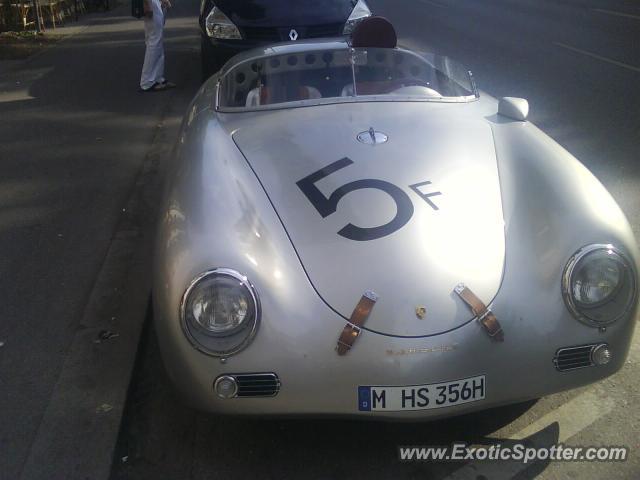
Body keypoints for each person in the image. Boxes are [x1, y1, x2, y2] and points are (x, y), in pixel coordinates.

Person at [139, 0, 176, 92]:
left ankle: (157, 78)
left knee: (157, 42)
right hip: (151, 4)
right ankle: (147, 82)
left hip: (155, 4)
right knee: (154, 43)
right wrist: (147, 5)